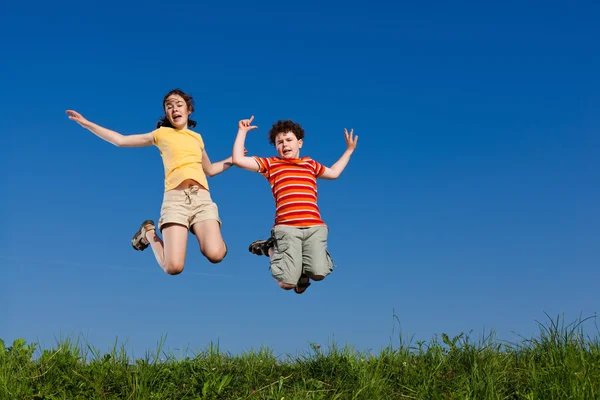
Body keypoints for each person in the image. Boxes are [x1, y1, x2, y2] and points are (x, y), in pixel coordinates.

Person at [66, 89, 234, 275]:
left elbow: (210, 170)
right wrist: (87, 124)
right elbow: (121, 140)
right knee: (173, 267)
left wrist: (232, 160)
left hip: (201, 198)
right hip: (175, 201)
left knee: (216, 254)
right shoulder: (161, 134)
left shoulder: (197, 139)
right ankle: (148, 233)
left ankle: (211, 236)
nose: (174, 109)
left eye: (179, 105)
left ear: (189, 110)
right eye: (169, 106)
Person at [232, 116, 358, 293]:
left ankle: (302, 271)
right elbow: (238, 159)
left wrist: (349, 150)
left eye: (289, 140)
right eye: (279, 142)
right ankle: (270, 248)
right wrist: (242, 132)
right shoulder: (271, 164)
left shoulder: (310, 164)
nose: (284, 145)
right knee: (286, 284)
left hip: (314, 226)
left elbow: (334, 172)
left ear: (300, 143)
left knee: (319, 273)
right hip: (287, 228)